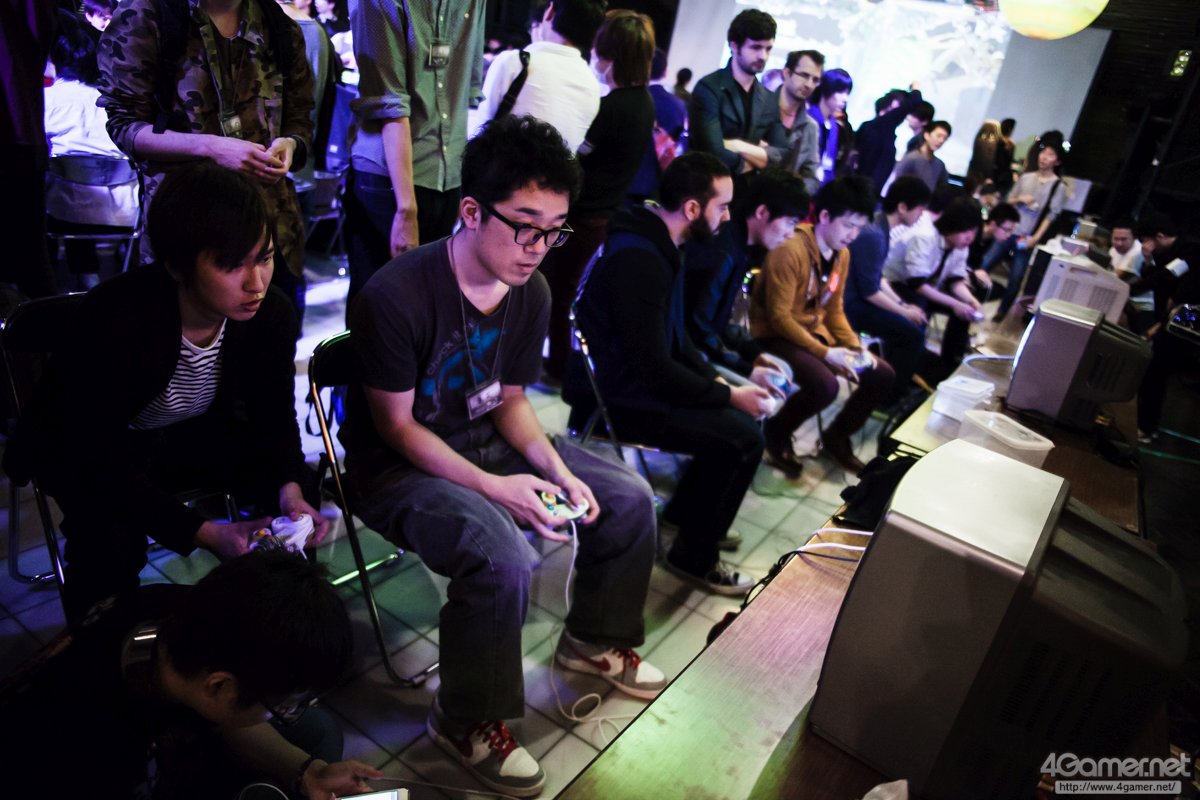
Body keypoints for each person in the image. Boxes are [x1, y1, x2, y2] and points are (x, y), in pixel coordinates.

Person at [343, 115, 665, 798]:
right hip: (397, 467)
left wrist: (558, 470)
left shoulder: (531, 291)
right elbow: (397, 429)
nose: (538, 248)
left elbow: (511, 399)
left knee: (627, 497)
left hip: (483, 437)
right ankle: (464, 720)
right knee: (502, 555)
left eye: (554, 231)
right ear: (471, 211)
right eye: (524, 226)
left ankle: (591, 638)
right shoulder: (396, 295)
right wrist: (497, 489)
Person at [4, 163, 328, 622]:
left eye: (265, 257)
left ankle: (274, 626)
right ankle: (103, 641)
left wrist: (291, 492)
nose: (256, 283)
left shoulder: (270, 315)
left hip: (184, 433)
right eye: (231, 264)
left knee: (292, 492)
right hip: (85, 450)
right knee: (109, 542)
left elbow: (273, 415)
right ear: (176, 266)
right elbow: (94, 455)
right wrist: (205, 532)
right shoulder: (118, 319)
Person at [0, 551, 382, 799]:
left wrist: (308, 773)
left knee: (317, 731)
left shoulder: (175, 607)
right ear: (219, 685)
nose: (285, 710)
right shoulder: (90, 754)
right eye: (282, 705)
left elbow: (220, 715)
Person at [571, 151, 770, 594]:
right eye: (722, 206)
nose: (728, 217)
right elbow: (655, 368)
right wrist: (728, 396)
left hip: (636, 383)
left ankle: (690, 519)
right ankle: (694, 557)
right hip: (615, 399)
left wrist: (721, 383)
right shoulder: (640, 259)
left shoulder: (658, 240)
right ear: (693, 208)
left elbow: (677, 341)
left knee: (742, 424)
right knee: (743, 439)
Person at [97, 0, 314, 319]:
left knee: (272, 335)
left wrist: (291, 144)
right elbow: (124, 126)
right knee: (180, 340)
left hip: (271, 227)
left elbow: (300, 116)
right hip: (187, 230)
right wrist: (210, 148)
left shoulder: (277, 22)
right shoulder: (147, 15)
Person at [750, 176, 895, 477]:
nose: (853, 235)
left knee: (882, 373)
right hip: (776, 335)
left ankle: (836, 437)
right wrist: (826, 353)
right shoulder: (790, 249)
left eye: (859, 227)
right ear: (825, 216)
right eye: (848, 225)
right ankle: (776, 434)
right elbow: (779, 318)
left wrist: (853, 346)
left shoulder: (842, 253)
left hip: (811, 333)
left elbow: (834, 309)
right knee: (825, 384)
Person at [541, 9, 657, 381]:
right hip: (603, 217)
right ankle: (560, 366)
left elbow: (578, 158)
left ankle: (558, 368)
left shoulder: (613, 107)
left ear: (611, 56)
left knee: (556, 294)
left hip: (579, 219)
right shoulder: (644, 103)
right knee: (567, 294)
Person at [345, 0, 484, 306]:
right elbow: (389, 103)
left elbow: (468, 91)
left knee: (424, 305)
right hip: (389, 180)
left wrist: (463, 184)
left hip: (447, 177)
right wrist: (406, 208)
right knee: (379, 304)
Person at [43, 14, 140, 290]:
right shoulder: (119, 101)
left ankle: (73, 280)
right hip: (124, 215)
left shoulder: (48, 101)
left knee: (61, 189)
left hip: (64, 216)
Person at [685, 167, 809, 375]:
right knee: (768, 386)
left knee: (781, 372)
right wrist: (747, 369)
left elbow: (724, 320)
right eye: (790, 223)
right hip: (691, 355)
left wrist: (754, 354)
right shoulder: (724, 251)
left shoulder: (743, 248)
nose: (790, 234)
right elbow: (698, 329)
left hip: (706, 348)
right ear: (762, 212)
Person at [469, 0, 607, 153]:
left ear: (550, 12)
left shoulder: (515, 62)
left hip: (501, 165)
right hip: (555, 169)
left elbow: (481, 129)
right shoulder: (593, 85)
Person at [843, 176, 931, 402]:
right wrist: (904, 312)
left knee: (914, 322)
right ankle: (887, 396)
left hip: (857, 299)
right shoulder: (874, 234)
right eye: (919, 209)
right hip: (850, 305)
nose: (921, 215)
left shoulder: (879, 226)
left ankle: (890, 386)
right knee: (912, 334)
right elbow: (870, 291)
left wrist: (903, 306)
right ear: (902, 207)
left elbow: (878, 278)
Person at [884, 195, 983, 370]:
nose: (970, 238)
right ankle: (907, 367)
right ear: (953, 224)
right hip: (895, 285)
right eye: (966, 231)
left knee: (965, 311)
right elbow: (917, 284)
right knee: (922, 308)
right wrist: (955, 304)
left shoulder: (960, 247)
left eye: (974, 232)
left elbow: (955, 281)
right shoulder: (925, 236)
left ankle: (949, 364)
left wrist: (970, 301)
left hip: (925, 286)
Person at [687, 9, 788, 176]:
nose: (763, 56)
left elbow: (782, 155)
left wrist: (737, 146)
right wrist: (757, 160)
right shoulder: (709, 88)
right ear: (734, 46)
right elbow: (714, 153)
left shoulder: (768, 98)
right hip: (706, 185)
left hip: (746, 190)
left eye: (768, 49)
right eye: (756, 47)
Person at [991, 140, 1069, 319]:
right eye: (1044, 152)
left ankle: (1002, 311)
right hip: (1008, 231)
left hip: (1027, 237)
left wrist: (1036, 237)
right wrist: (1020, 199)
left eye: (1050, 154)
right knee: (987, 261)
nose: (1044, 157)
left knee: (1016, 278)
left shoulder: (1059, 187)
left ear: (1057, 161)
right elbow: (1008, 200)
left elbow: (1051, 216)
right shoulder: (1026, 177)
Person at [626, 47, 689, 204]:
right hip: (657, 185)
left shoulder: (627, 98)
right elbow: (680, 146)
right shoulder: (679, 106)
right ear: (665, 71)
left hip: (622, 181)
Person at [854, 84, 923, 197]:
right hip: (864, 191)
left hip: (865, 190)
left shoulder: (869, 126)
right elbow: (914, 101)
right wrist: (916, 88)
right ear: (894, 105)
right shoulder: (881, 126)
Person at [777, 49, 824, 194]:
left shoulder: (811, 127)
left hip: (783, 201)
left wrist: (791, 193)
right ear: (787, 73)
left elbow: (811, 176)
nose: (809, 85)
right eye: (804, 75)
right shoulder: (760, 106)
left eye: (815, 80)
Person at [807, 67, 852, 186]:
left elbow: (829, 163)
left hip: (823, 185)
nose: (845, 99)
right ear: (827, 90)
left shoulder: (834, 126)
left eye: (847, 93)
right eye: (840, 92)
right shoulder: (809, 118)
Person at [1108, 218, 1153, 334]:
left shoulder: (1138, 252)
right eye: (1116, 239)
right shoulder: (1113, 250)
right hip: (1124, 303)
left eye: (1123, 239)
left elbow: (1117, 279)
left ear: (1134, 238)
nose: (1119, 243)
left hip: (1140, 309)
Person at [967, 200, 1019, 297]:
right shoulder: (971, 233)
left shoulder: (990, 240)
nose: (1009, 235)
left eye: (1011, 231)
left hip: (966, 275)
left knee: (998, 290)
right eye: (1007, 230)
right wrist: (973, 273)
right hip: (955, 276)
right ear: (993, 224)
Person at [892, 119, 951, 192]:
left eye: (945, 138)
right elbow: (896, 184)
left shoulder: (940, 165)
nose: (941, 141)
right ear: (927, 135)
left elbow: (942, 189)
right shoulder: (911, 158)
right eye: (938, 136)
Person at [995, 117, 1017, 194]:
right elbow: (1004, 163)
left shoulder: (998, 141)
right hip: (1000, 178)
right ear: (1010, 129)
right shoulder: (1006, 144)